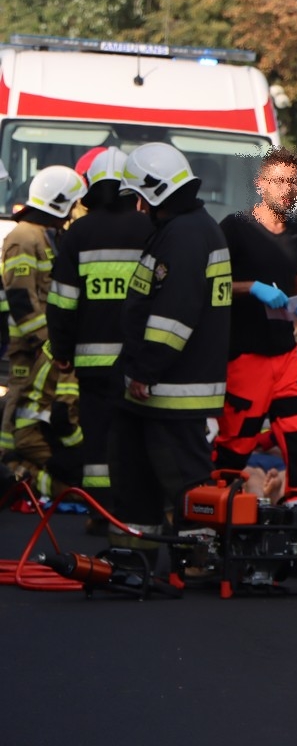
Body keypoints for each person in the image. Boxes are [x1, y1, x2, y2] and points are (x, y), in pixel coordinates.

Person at [106, 143, 231, 569]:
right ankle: (134, 556)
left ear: (154, 191)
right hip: (161, 385)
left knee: (185, 481)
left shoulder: (185, 236)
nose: (137, 207)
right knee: (136, 475)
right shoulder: (186, 229)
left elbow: (173, 316)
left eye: (139, 197)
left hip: (172, 387)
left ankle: (200, 559)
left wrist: (145, 369)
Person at [48, 146, 155, 532]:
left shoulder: (79, 232)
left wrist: (62, 351)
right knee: (133, 436)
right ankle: (131, 510)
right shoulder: (150, 230)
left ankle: (98, 511)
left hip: (91, 362)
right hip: (137, 361)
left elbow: (61, 302)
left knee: (97, 439)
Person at [212, 147, 297, 490]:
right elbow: (211, 285)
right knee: (234, 447)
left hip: (285, 355)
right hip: (245, 355)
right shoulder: (234, 228)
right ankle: (215, 517)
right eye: (278, 182)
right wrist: (252, 288)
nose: (286, 189)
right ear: (261, 184)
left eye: (293, 182)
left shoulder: (295, 233)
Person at [1, 165, 86, 494]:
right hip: (30, 348)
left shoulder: (43, 236)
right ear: (60, 203)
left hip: (41, 345)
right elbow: (22, 299)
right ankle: (8, 469)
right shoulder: (24, 237)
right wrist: (46, 343)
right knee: (18, 404)